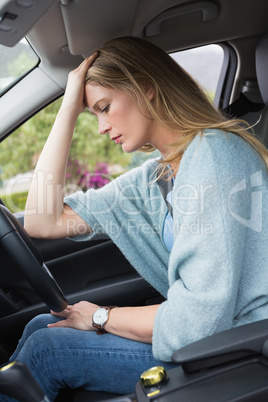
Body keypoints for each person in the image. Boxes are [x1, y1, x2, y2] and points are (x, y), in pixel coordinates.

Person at [1, 36, 268, 401]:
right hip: (207, 334)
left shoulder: (217, 158)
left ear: (146, 89)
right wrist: (67, 107)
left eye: (105, 107)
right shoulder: (154, 178)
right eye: (92, 113)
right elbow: (41, 220)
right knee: (40, 324)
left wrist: (101, 317)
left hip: (240, 345)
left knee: (48, 350)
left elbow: (196, 322)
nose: (100, 127)